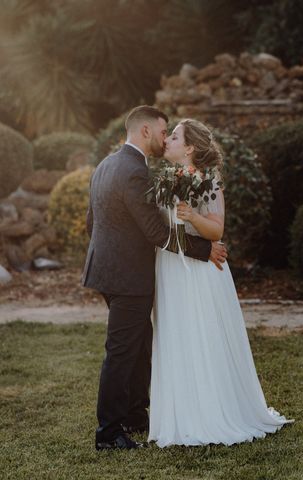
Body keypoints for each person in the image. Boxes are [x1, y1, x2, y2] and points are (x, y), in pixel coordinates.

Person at [82, 106, 229, 450]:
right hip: (127, 276)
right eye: (164, 132)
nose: (166, 140)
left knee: (138, 345)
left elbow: (92, 222)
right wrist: (203, 250)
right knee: (121, 351)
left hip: (106, 270)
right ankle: (108, 432)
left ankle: (135, 415)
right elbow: (153, 231)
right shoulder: (134, 171)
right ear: (146, 131)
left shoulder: (107, 164)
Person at [148, 118, 294, 447]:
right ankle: (181, 415)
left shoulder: (208, 181)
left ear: (189, 147)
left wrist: (192, 216)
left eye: (174, 136)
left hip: (199, 273)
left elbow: (217, 230)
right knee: (177, 336)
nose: (167, 140)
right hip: (171, 268)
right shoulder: (167, 178)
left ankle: (212, 414)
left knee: (202, 337)